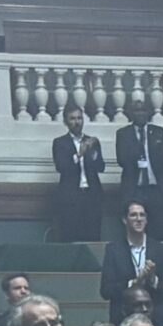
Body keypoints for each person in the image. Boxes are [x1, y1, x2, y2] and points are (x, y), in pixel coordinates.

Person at [101, 201, 163, 323]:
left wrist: (152, 279)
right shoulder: (113, 250)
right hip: (123, 318)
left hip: (155, 319)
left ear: (147, 220)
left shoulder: (161, 250)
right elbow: (106, 291)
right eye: (134, 215)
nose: (138, 219)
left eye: (142, 215)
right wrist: (133, 283)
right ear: (125, 220)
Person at [114, 98, 163, 238]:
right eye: (136, 111)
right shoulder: (123, 134)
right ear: (130, 114)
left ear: (148, 113)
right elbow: (121, 160)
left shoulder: (158, 132)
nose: (140, 114)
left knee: (159, 230)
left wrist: (154, 150)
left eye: (143, 110)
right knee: (136, 232)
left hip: (156, 189)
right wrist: (137, 150)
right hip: (135, 189)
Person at [50, 103, 106, 243]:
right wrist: (79, 155)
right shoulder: (59, 143)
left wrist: (93, 154)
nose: (77, 122)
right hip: (71, 198)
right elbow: (61, 167)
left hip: (92, 196)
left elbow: (101, 167)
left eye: (79, 118)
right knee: (70, 236)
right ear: (65, 122)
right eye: (72, 118)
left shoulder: (92, 141)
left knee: (93, 236)